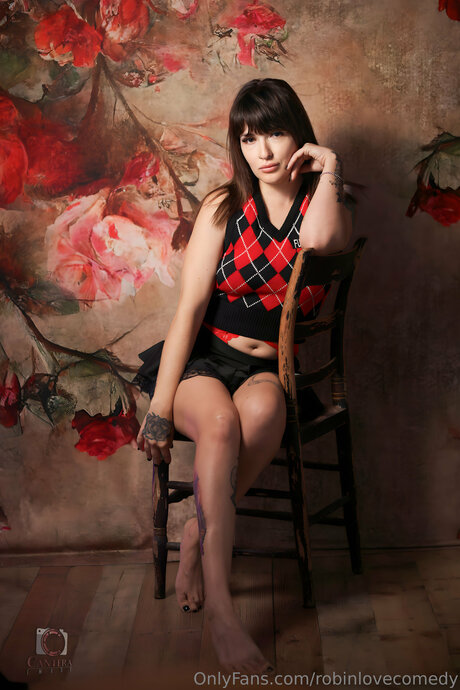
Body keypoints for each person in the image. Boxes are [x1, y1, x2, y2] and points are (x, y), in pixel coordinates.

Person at [133, 78, 352, 675]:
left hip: (267, 370)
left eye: (275, 132)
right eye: (249, 138)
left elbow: (321, 243)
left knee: (263, 412)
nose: (264, 151)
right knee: (221, 424)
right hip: (204, 361)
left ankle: (196, 532)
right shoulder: (223, 208)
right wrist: (159, 407)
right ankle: (224, 613)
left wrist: (330, 165)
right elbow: (189, 312)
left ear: (300, 135)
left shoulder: (325, 203)